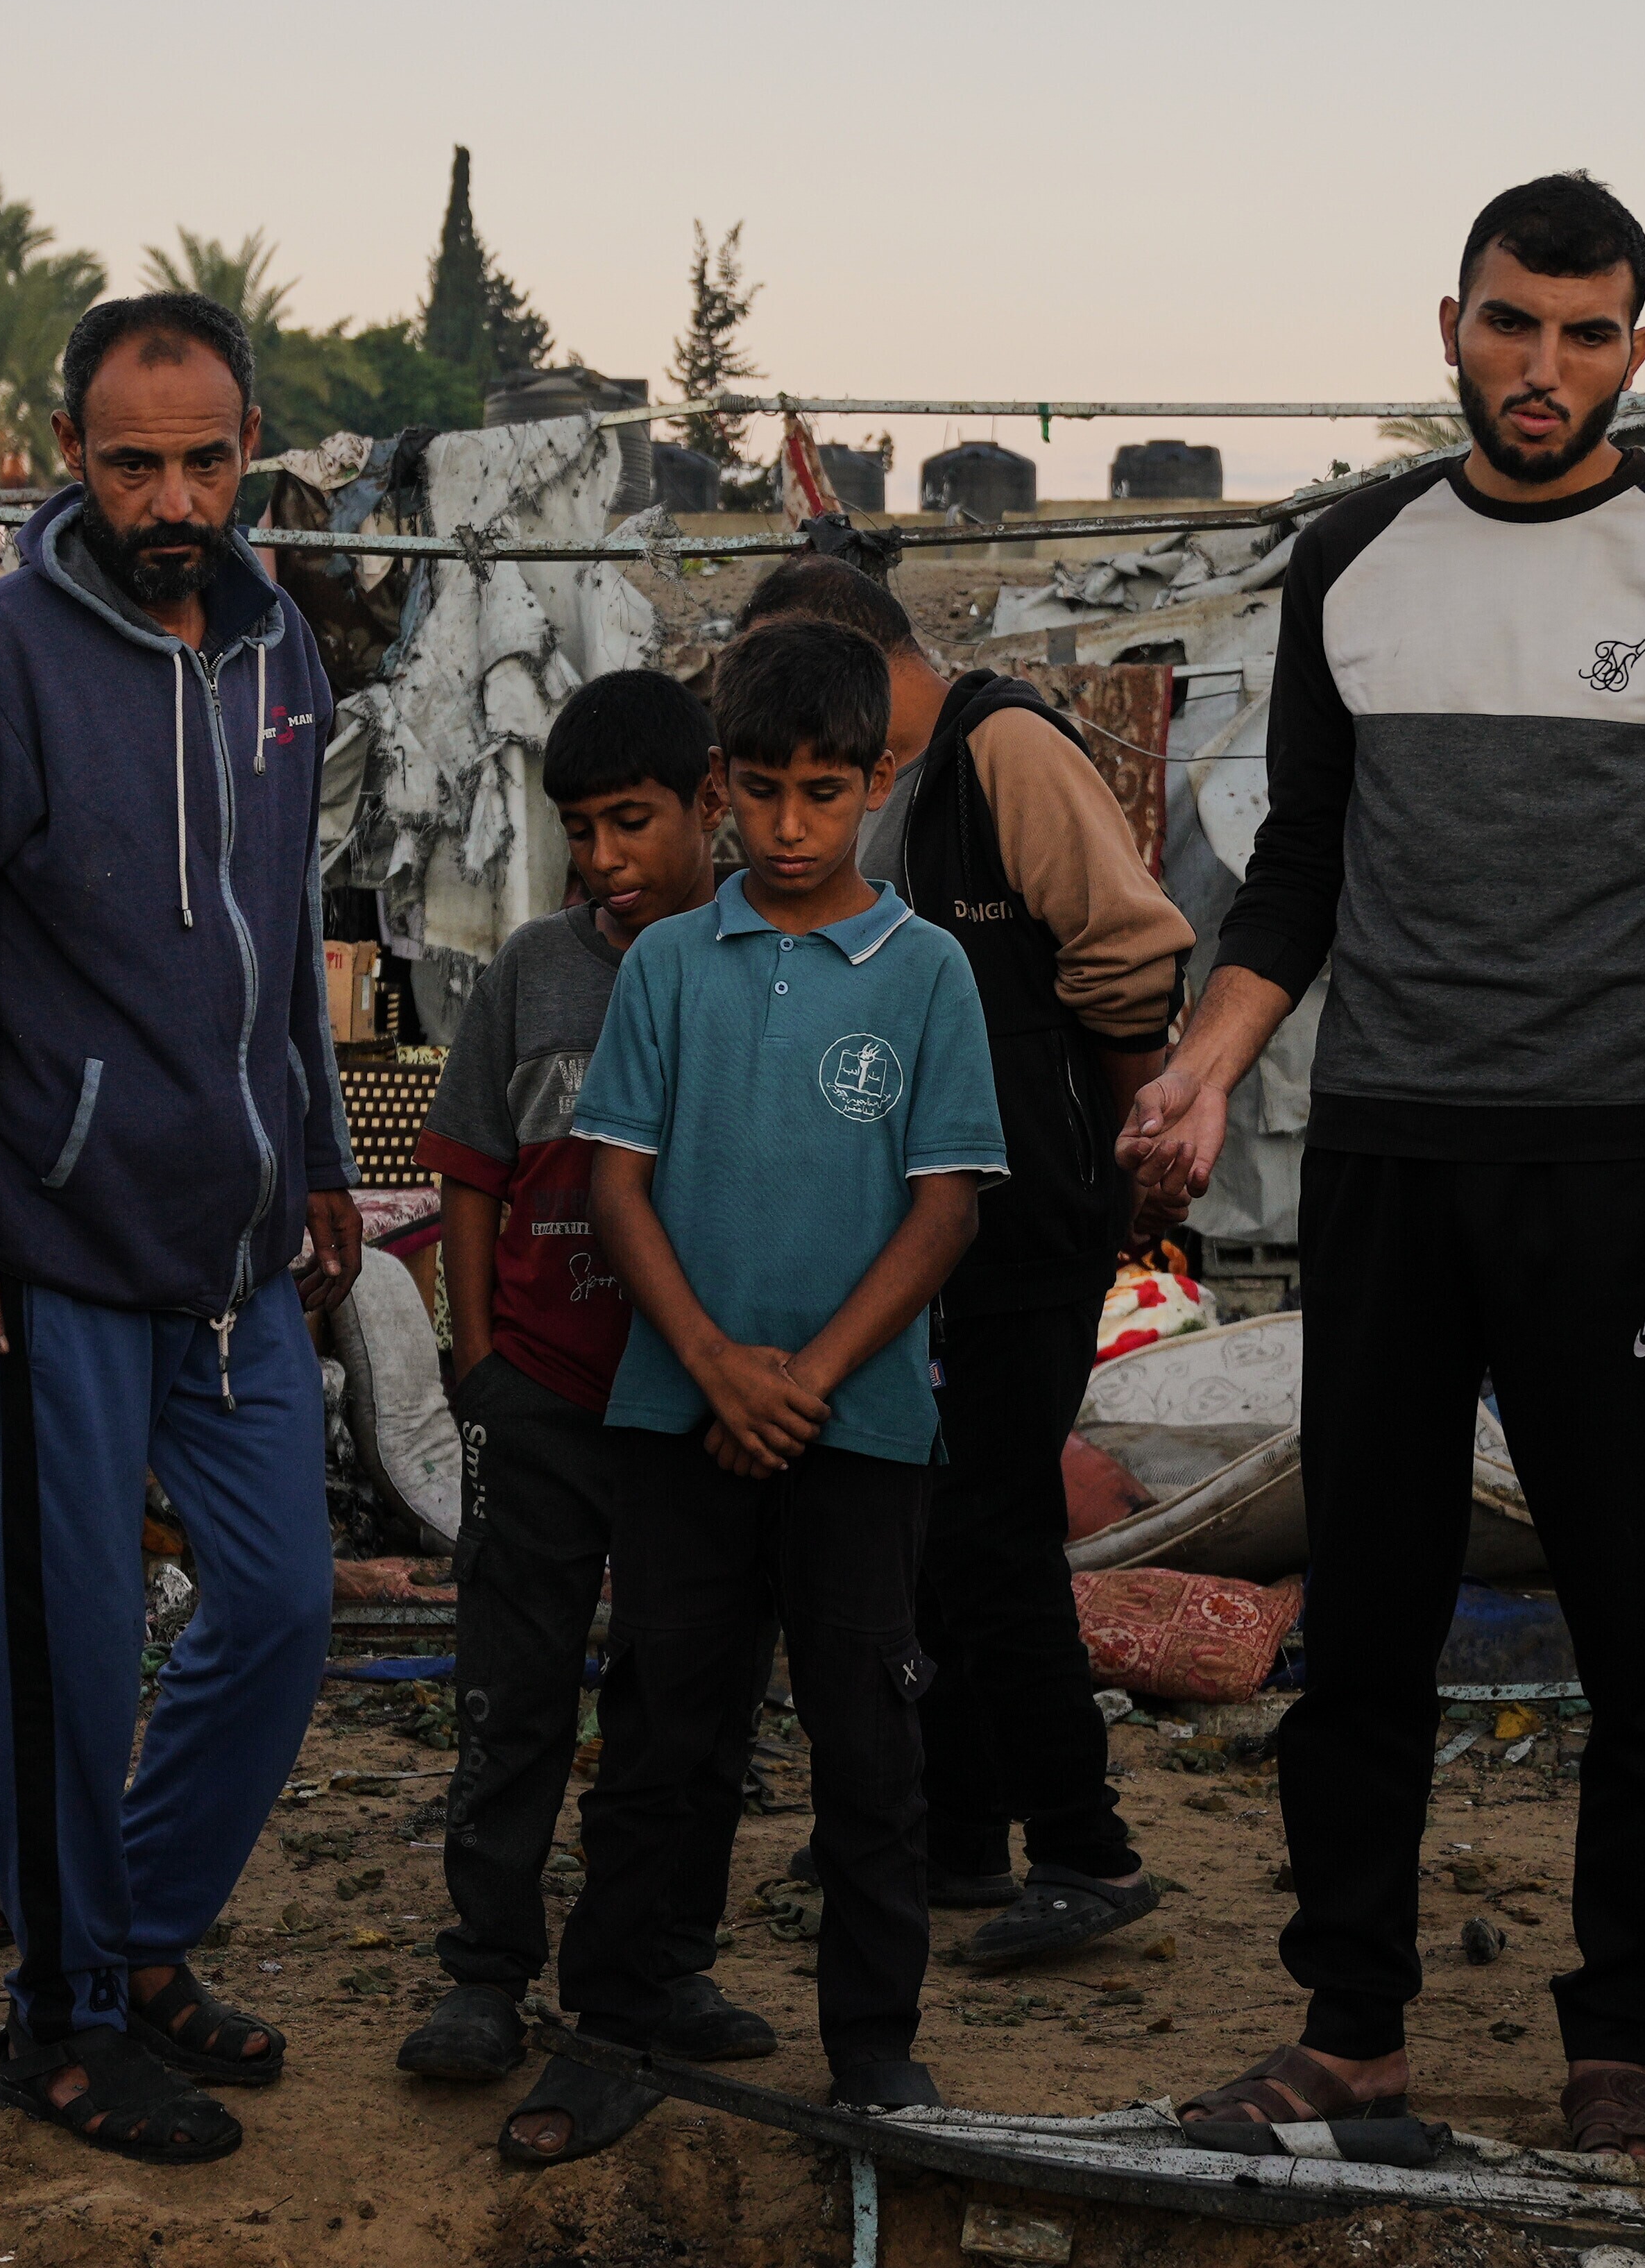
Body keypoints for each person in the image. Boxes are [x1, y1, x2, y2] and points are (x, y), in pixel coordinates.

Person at [1116, 169, 1645, 2167]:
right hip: (1395, 1161)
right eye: (1514, 324)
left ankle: (1618, 2036)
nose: (1545, 367)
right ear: (1451, 328)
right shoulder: (1353, 559)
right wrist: (1209, 1069)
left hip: (1625, 1171)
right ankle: (1352, 2030)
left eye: (1589, 335)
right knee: (1378, 1609)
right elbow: (1302, 870)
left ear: (1637, 355)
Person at [0, 290, 355, 2165]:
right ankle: (61, 2024)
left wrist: (314, 1153)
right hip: (49, 1241)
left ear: (249, 453)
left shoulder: (276, 645)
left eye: (205, 458)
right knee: (72, 1655)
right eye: (133, 460)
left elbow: (278, 916)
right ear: (72, 456)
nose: (172, 494)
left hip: (228, 1245)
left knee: (286, 1609)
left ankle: (135, 1939)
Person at [497, 616, 1003, 2163]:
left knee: (868, 1736)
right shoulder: (665, 966)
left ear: (878, 782)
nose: (792, 829)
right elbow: (614, 1187)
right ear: (721, 787)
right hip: (675, 1419)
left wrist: (811, 1377)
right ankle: (617, 2024)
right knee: (664, 1729)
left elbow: (946, 1209)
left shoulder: (928, 976)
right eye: (766, 792)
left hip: (863, 1431)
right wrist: (715, 1365)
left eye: (825, 793)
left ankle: (872, 2048)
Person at [724, 555, 1193, 1963]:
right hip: (902, 1236)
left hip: (1022, 1216)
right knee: (924, 1534)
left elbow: (1126, 960)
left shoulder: (1004, 750)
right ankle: (957, 1834)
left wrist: (1130, 1161)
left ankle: (1085, 1849)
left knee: (990, 1534)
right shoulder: (869, 782)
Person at [398, 665, 775, 2085]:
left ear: (709, 805)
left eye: (633, 822)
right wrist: (482, 1360)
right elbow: (473, 1178)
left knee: (689, 1705)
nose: (605, 860)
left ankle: (657, 1969)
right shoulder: (532, 973)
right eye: (582, 831)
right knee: (514, 1694)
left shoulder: (764, 960)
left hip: (699, 1410)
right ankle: (485, 1974)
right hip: (546, 1396)